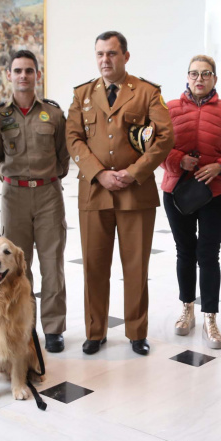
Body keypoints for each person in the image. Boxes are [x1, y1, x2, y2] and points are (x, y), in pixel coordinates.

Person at [65, 31, 174, 356]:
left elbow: (164, 137)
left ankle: (137, 332)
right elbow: (73, 137)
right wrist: (99, 173)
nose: (105, 60)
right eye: (100, 54)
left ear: (125, 56)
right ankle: (95, 331)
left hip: (135, 193)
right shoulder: (83, 94)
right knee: (94, 266)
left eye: (111, 53)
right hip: (95, 192)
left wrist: (134, 172)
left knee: (136, 267)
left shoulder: (147, 92)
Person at [0, 49, 70, 353]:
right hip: (14, 196)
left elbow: (63, 156)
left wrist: (46, 178)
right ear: (9, 75)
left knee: (52, 264)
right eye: (18, 71)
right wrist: (15, 180)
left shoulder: (54, 114)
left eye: (29, 70)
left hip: (49, 194)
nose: (23, 76)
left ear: (38, 75)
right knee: (16, 266)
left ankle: (54, 328)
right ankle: (25, 325)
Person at [160, 54, 221, 349]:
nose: (199, 79)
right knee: (185, 251)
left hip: (216, 194)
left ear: (215, 78)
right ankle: (187, 309)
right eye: (194, 74)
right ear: (187, 77)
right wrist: (178, 160)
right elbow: (156, 149)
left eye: (205, 74)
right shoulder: (169, 109)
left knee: (209, 254)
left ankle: (210, 317)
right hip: (177, 191)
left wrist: (220, 166)